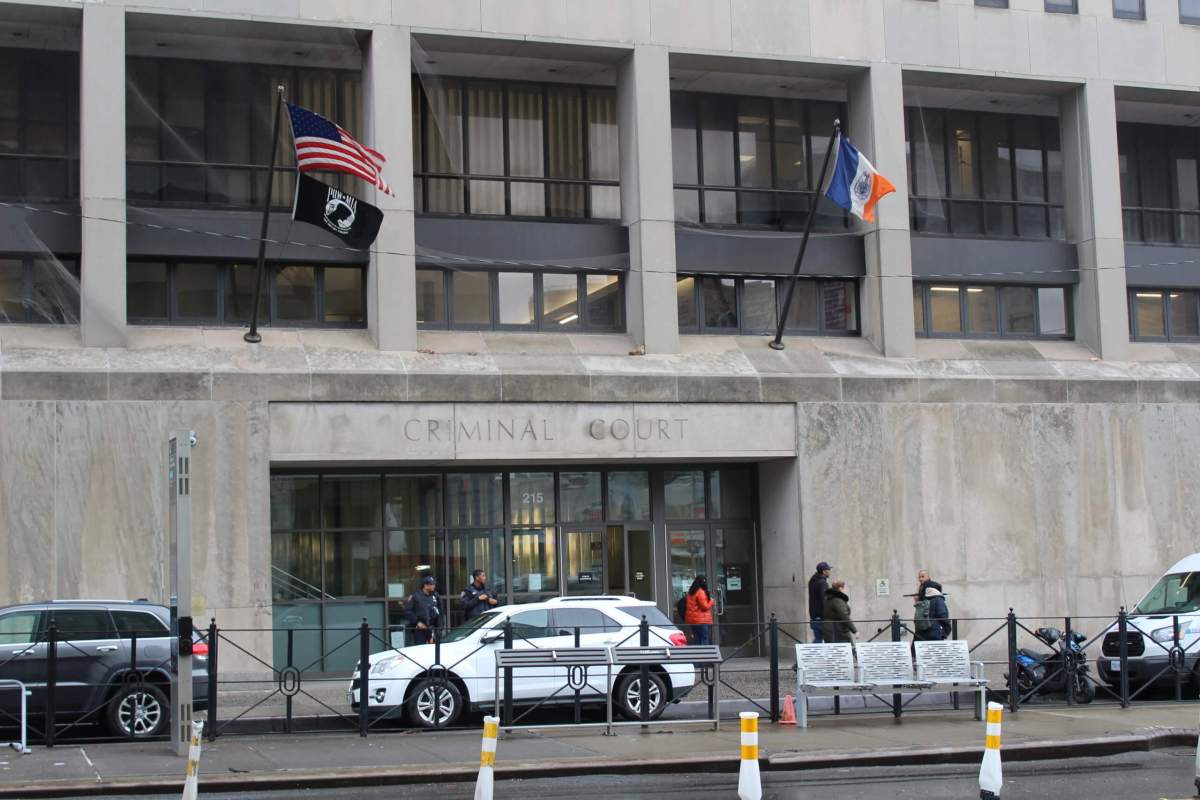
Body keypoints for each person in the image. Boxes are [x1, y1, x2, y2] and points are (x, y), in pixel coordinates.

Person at [912, 570, 952, 641]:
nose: (920, 579)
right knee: (935, 651)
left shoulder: (924, 599)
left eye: (922, 577)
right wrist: (946, 631)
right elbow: (942, 615)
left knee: (917, 651)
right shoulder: (938, 599)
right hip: (934, 633)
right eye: (919, 577)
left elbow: (917, 618)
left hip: (920, 633)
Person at [403, 575, 441, 646]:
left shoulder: (435, 595)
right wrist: (417, 622)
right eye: (432, 584)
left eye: (434, 584)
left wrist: (439, 627)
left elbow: (440, 611)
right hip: (420, 629)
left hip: (432, 628)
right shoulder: (415, 596)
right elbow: (407, 611)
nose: (434, 586)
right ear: (425, 585)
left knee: (434, 651)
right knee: (421, 649)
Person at [684, 575, 714, 645]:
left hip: (693, 621)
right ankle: (705, 655)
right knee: (704, 638)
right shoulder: (700, 592)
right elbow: (705, 606)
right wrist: (711, 601)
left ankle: (698, 655)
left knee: (697, 639)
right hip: (702, 621)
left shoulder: (691, 592)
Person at [807, 562, 832, 643]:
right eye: (828, 570)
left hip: (814, 615)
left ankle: (809, 654)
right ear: (824, 571)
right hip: (821, 616)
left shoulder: (813, 580)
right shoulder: (822, 583)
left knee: (818, 638)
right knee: (823, 639)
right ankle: (809, 655)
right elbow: (824, 600)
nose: (830, 571)